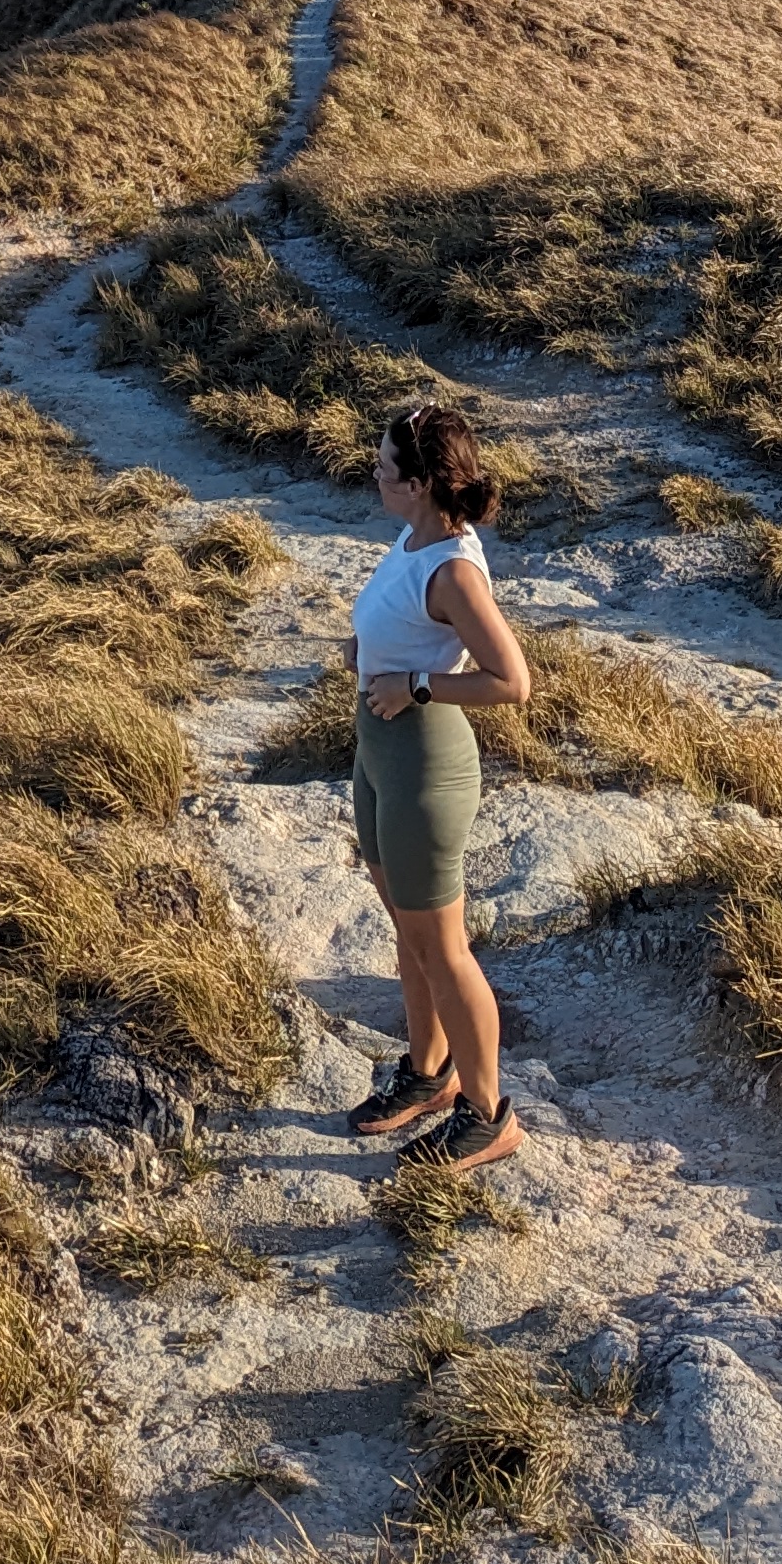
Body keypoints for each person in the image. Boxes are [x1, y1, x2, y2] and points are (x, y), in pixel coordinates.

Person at [342, 395, 534, 1167]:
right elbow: (396, 617)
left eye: (386, 467)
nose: (375, 476)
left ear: (420, 483)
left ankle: (490, 1114)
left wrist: (417, 683)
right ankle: (429, 1074)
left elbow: (511, 680)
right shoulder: (416, 535)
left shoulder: (456, 570)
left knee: (444, 949)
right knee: (411, 936)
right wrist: (368, 652)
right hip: (380, 755)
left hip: (424, 765)